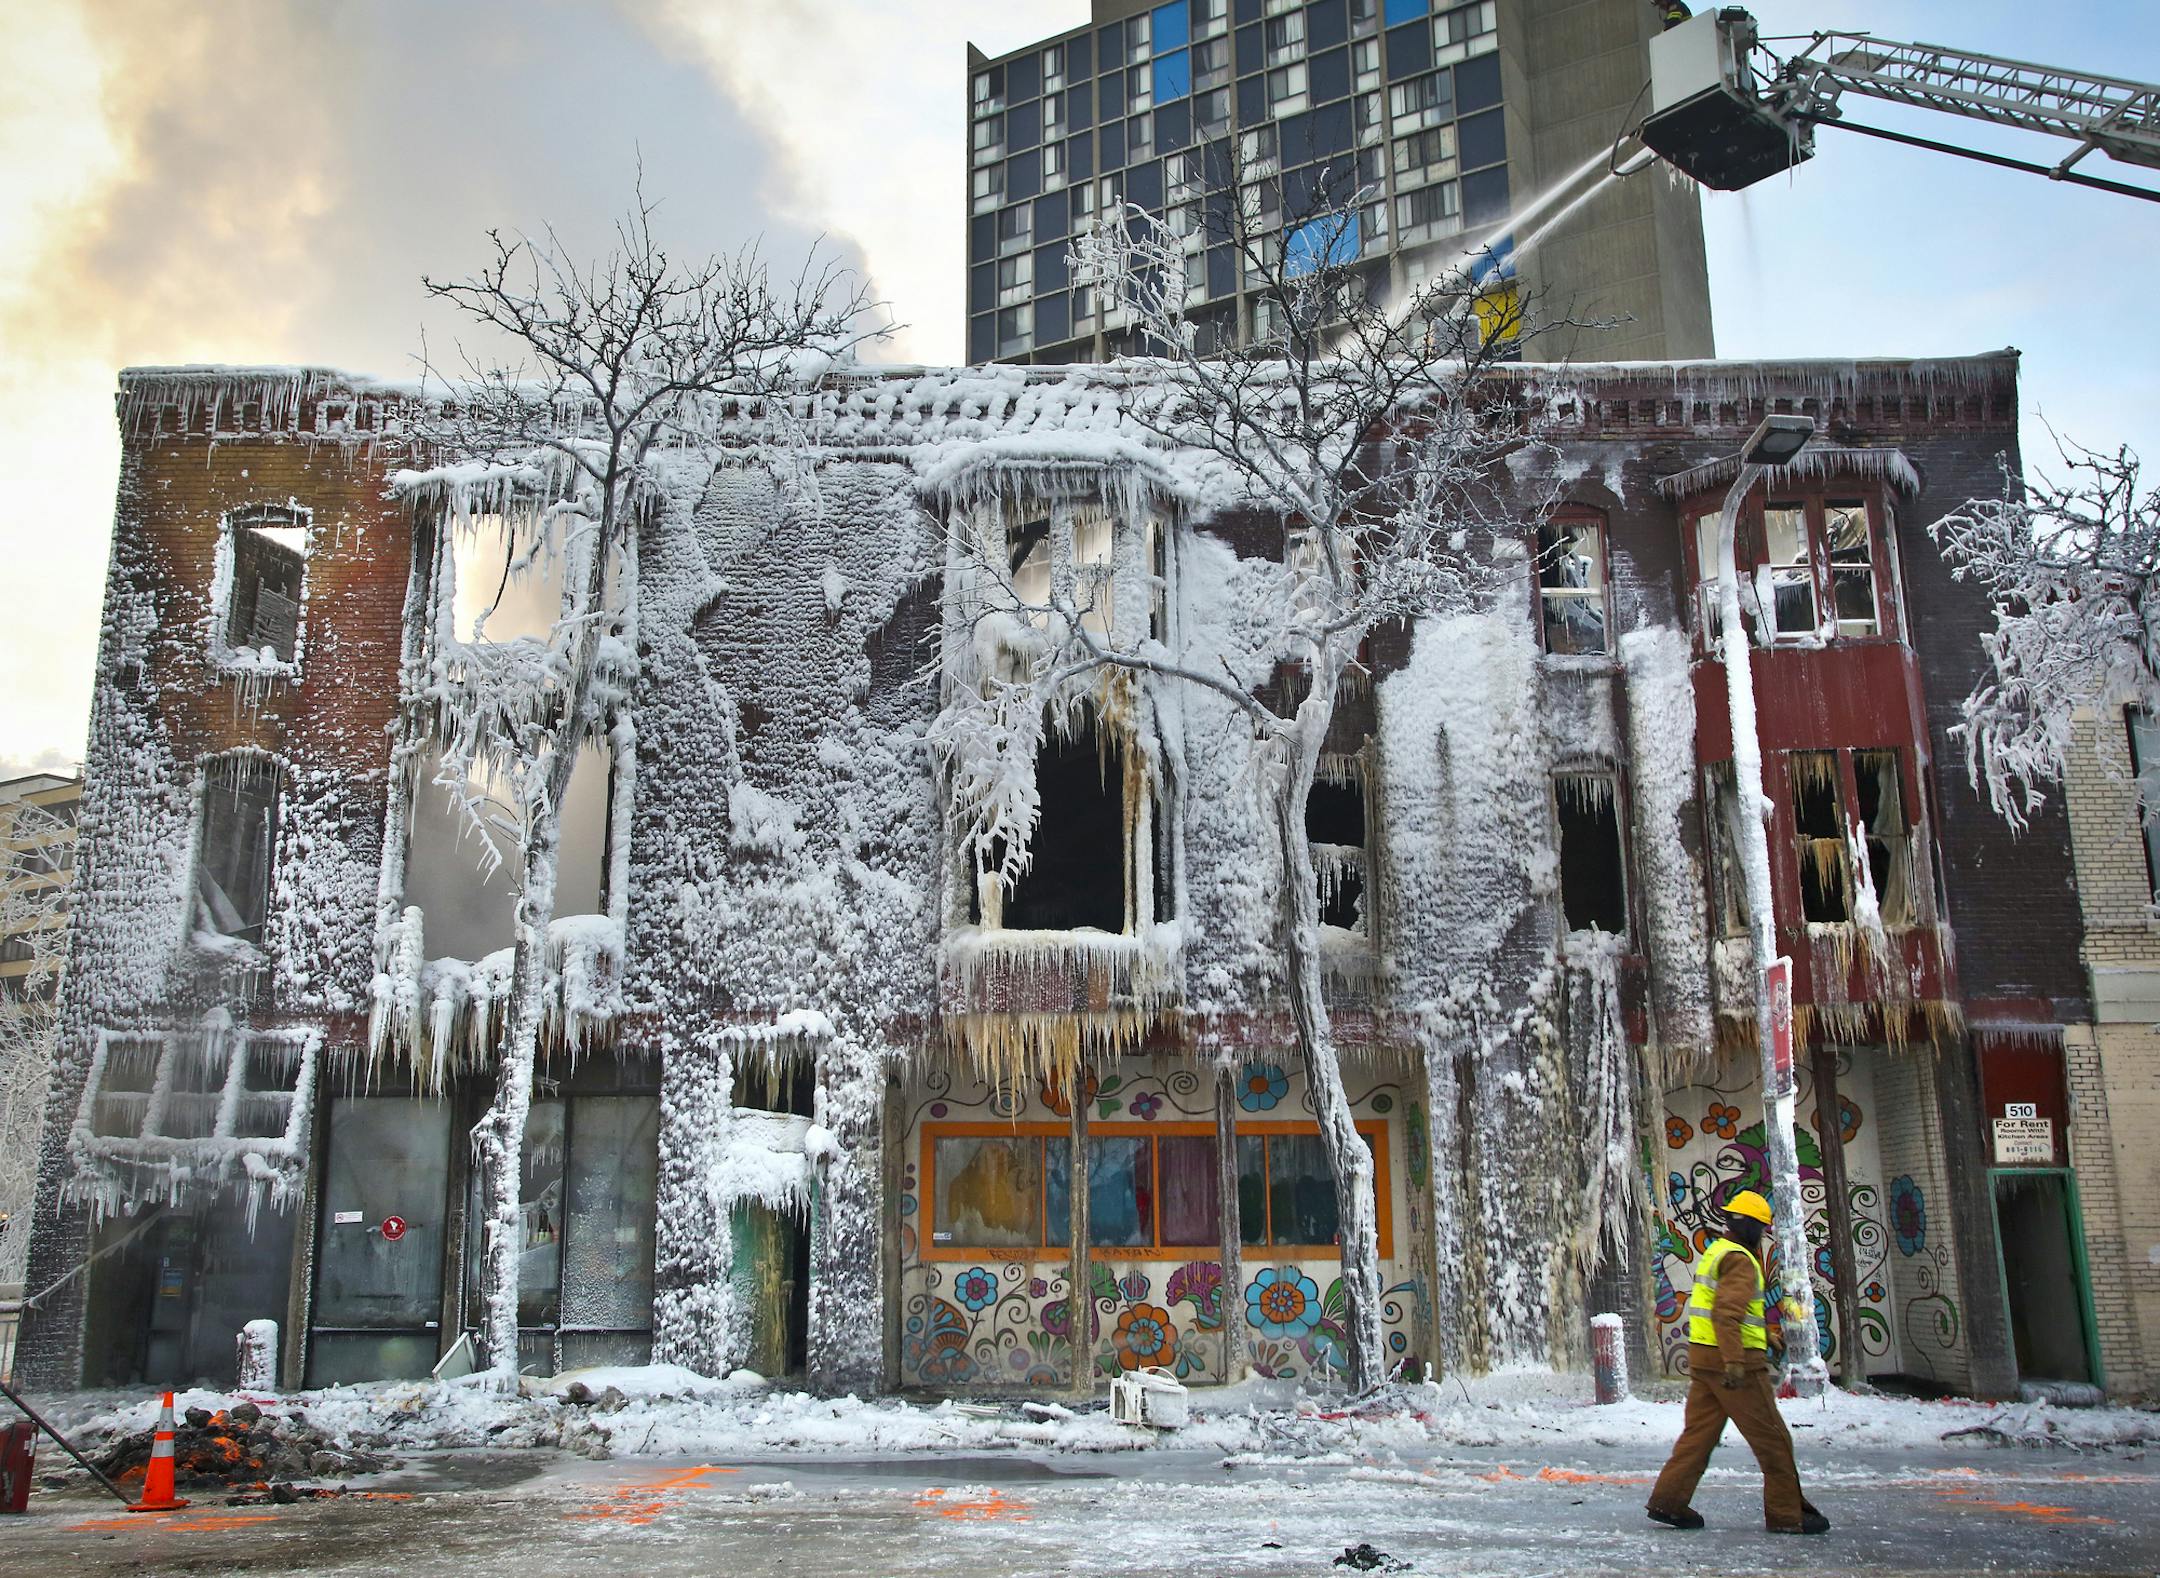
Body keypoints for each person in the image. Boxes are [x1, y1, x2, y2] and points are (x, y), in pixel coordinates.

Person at [1645, 1189, 1829, 1536]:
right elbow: (1726, 1314)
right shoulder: (1741, 1260)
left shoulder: (1716, 1251)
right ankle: (1787, 1514)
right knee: (1773, 1440)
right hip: (1736, 1366)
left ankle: (1668, 1502)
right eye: (1760, 1227)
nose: (1761, 1234)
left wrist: (1765, 1334)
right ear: (1747, 1226)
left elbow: (1731, 1312)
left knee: (1697, 1437)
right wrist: (1734, 1362)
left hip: (1703, 1359)